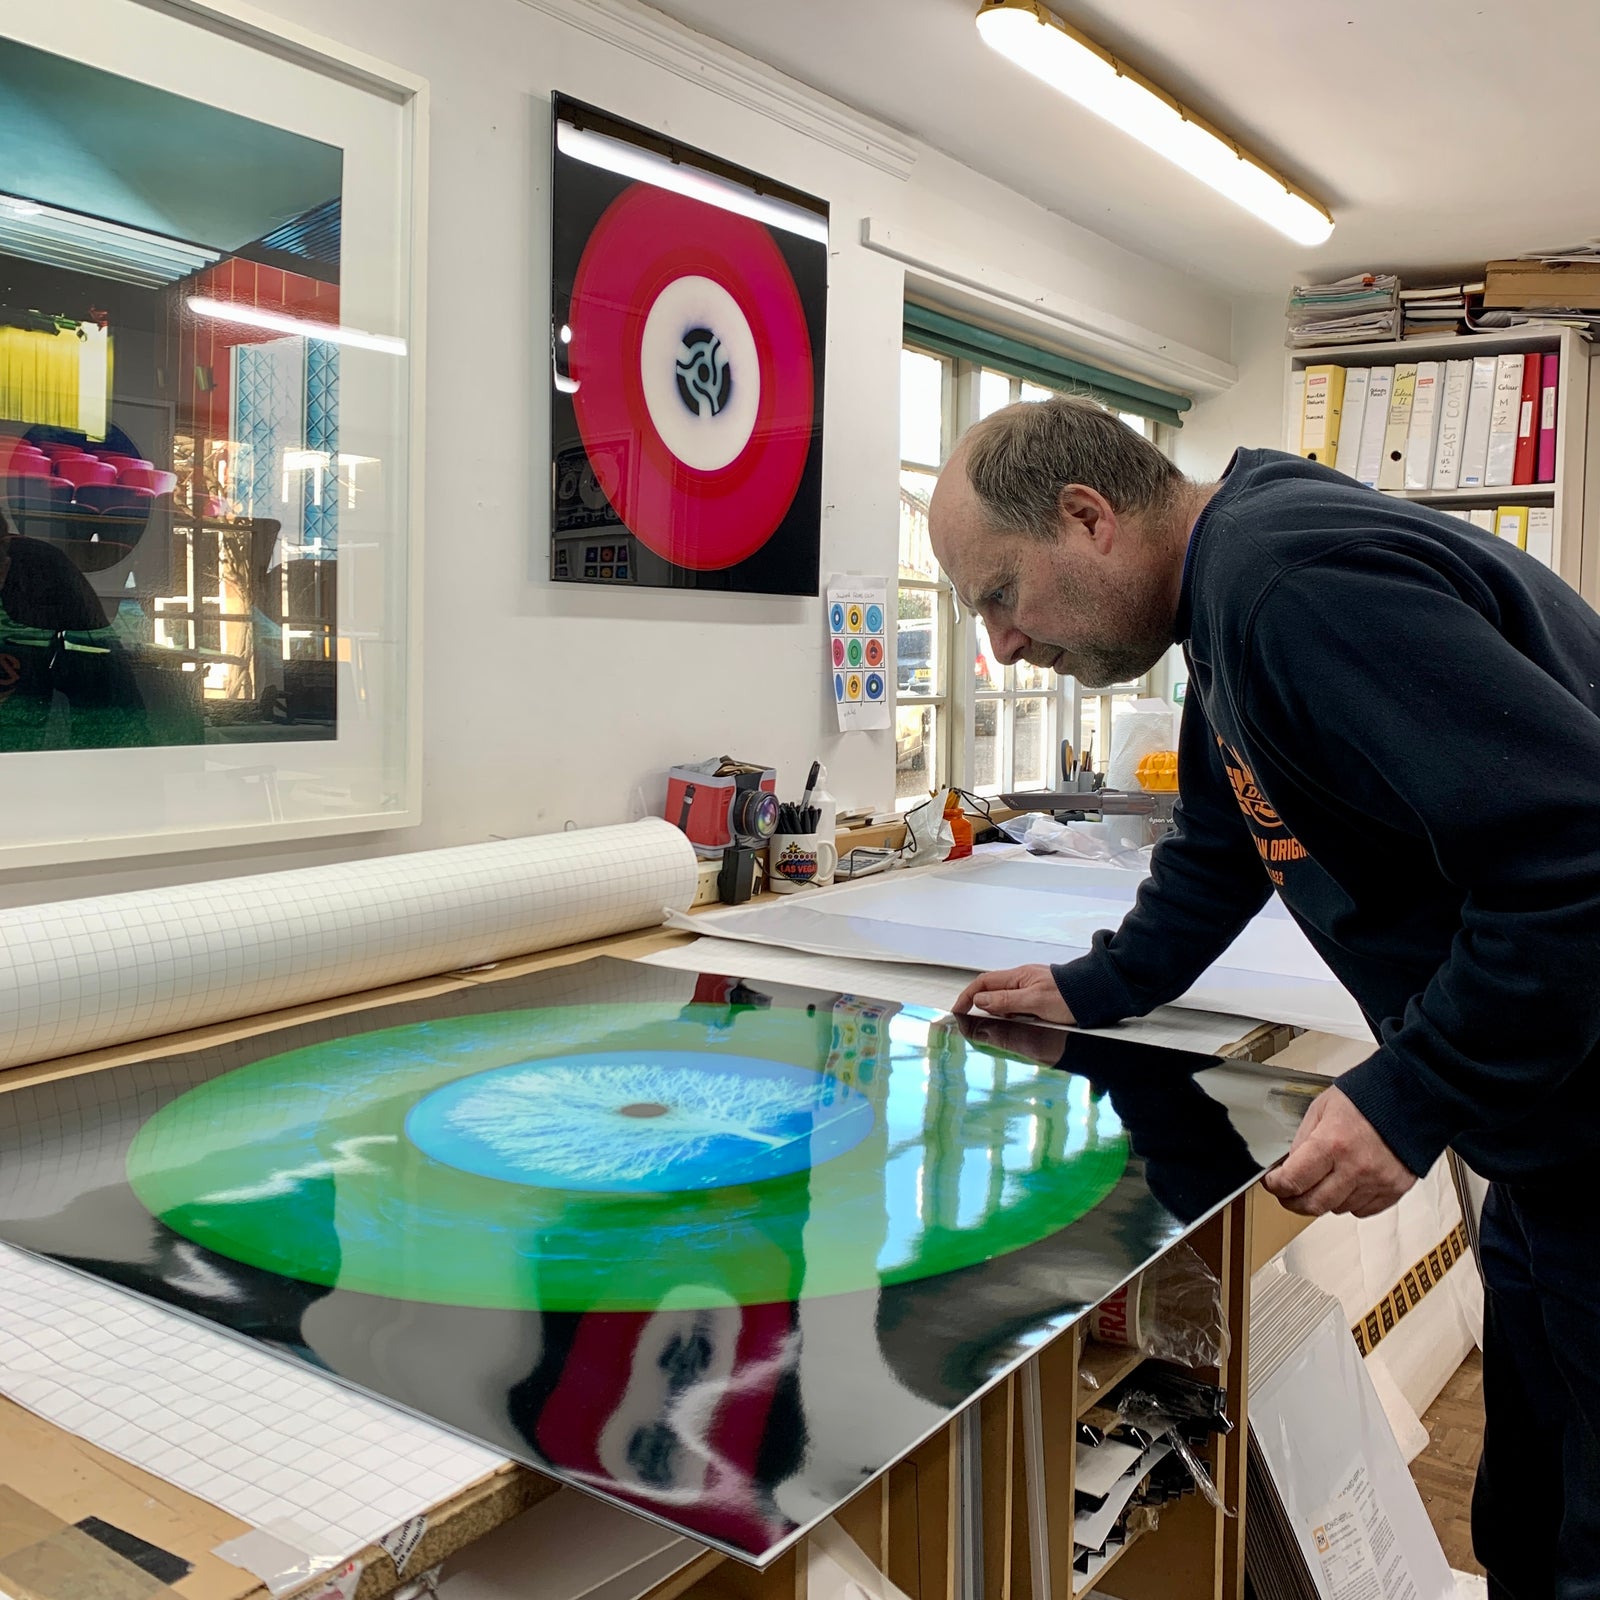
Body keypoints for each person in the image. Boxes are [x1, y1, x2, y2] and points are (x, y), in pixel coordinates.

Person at [928, 396, 1600, 1597]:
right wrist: (1100, 982)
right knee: (1530, 1516)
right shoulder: (1229, 595)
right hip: (1556, 1135)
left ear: (1087, 519)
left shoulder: (1290, 587)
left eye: (997, 594)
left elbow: (1579, 856)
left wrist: (1415, 1089)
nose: (1005, 647)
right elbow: (1228, 833)